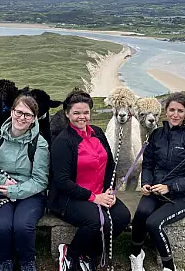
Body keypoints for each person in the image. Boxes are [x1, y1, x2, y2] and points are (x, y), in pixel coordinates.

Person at [48, 89, 131, 271]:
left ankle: (91, 253)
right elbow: (62, 181)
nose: (82, 117)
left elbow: (110, 164)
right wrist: (95, 198)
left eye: (86, 112)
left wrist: (110, 190)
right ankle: (70, 254)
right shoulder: (63, 142)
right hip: (69, 197)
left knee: (122, 217)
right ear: (67, 114)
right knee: (96, 221)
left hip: (100, 192)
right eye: (76, 113)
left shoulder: (98, 133)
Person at [129, 92, 185, 271]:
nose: (175, 114)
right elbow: (148, 164)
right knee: (141, 213)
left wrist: (170, 187)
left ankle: (169, 266)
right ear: (165, 111)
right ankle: (135, 254)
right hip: (155, 190)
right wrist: (146, 183)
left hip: (181, 197)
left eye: (180, 110)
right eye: (172, 110)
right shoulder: (157, 135)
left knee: (153, 223)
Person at [0, 95, 49, 271]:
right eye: (19, 112)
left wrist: (15, 190)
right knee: (1, 225)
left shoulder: (39, 144)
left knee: (23, 225)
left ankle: (27, 262)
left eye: (28, 115)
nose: (22, 118)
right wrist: (2, 180)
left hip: (31, 193)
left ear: (34, 118)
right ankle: (4, 261)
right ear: (12, 111)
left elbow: (40, 179)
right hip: (0, 190)